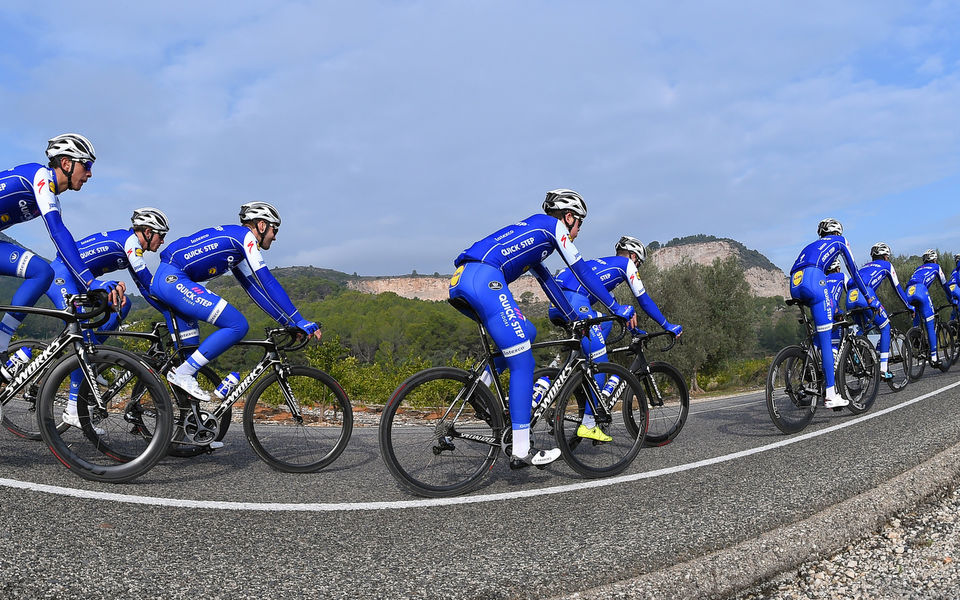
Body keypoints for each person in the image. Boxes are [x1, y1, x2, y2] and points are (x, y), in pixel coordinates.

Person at [448, 189, 637, 469]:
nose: (578, 231)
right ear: (569, 216)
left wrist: (573, 318)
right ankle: (522, 449)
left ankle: (482, 384)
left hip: (463, 279)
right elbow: (582, 272)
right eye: (580, 224)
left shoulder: (537, 236)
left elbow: (548, 283)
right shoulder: (553, 226)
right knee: (524, 363)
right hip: (485, 278)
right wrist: (615, 307)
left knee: (528, 333)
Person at [150, 202, 321, 405]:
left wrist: (288, 323)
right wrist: (299, 319)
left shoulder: (238, 250)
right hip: (172, 280)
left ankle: (193, 430)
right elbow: (267, 281)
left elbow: (256, 291)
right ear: (262, 225)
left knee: (190, 366)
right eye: (275, 229)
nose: (275, 236)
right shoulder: (245, 237)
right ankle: (181, 374)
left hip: (171, 280)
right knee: (237, 325)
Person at [0, 133, 124, 371]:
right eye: (86, 165)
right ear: (66, 163)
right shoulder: (41, 178)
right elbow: (58, 233)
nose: (89, 174)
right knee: (42, 271)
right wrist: (90, 282)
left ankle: (1, 342)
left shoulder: (50, 193)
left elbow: (64, 238)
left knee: (42, 272)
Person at [45, 208, 170, 430]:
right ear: (149, 232)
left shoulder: (131, 246)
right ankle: (73, 407)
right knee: (82, 337)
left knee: (123, 304)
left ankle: (89, 362)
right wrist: (174, 307)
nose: (162, 241)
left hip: (77, 280)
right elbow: (147, 280)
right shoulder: (132, 243)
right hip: (61, 276)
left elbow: (144, 290)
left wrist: (167, 311)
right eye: (162, 235)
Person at [548, 235, 681, 441]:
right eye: (639, 262)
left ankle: (554, 383)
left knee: (606, 322)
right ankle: (590, 423)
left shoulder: (604, 268)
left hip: (557, 303)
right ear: (633, 256)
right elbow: (644, 300)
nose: (637, 267)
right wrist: (667, 325)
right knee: (599, 362)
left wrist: (634, 331)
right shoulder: (626, 264)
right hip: (575, 301)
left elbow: (616, 310)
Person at [789, 218, 879, 408]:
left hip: (794, 282)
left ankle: (811, 365)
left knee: (817, 335)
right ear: (838, 232)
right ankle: (831, 394)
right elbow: (854, 271)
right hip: (814, 279)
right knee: (826, 337)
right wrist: (869, 298)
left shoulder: (811, 245)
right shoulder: (840, 241)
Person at [844, 243, 914, 379]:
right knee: (885, 327)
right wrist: (909, 306)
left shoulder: (865, 267)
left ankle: (857, 356)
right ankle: (883, 369)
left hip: (850, 298)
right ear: (885, 256)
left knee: (865, 328)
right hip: (865, 295)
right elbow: (897, 288)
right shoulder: (887, 265)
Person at [905, 249, 955, 367]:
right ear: (934, 259)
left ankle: (916, 335)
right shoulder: (936, 267)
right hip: (921, 291)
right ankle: (934, 357)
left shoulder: (918, 269)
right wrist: (951, 298)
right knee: (929, 324)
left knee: (916, 313)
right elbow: (945, 285)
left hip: (908, 292)